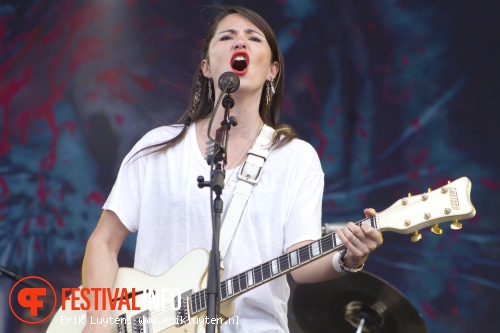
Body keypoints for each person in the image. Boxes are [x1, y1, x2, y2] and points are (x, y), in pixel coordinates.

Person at [81, 5, 383, 333]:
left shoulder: (296, 158)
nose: (240, 42)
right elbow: (103, 242)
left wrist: (347, 257)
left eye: (254, 38)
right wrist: (98, 322)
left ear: (272, 71)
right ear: (207, 67)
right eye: (227, 37)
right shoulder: (157, 148)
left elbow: (300, 263)